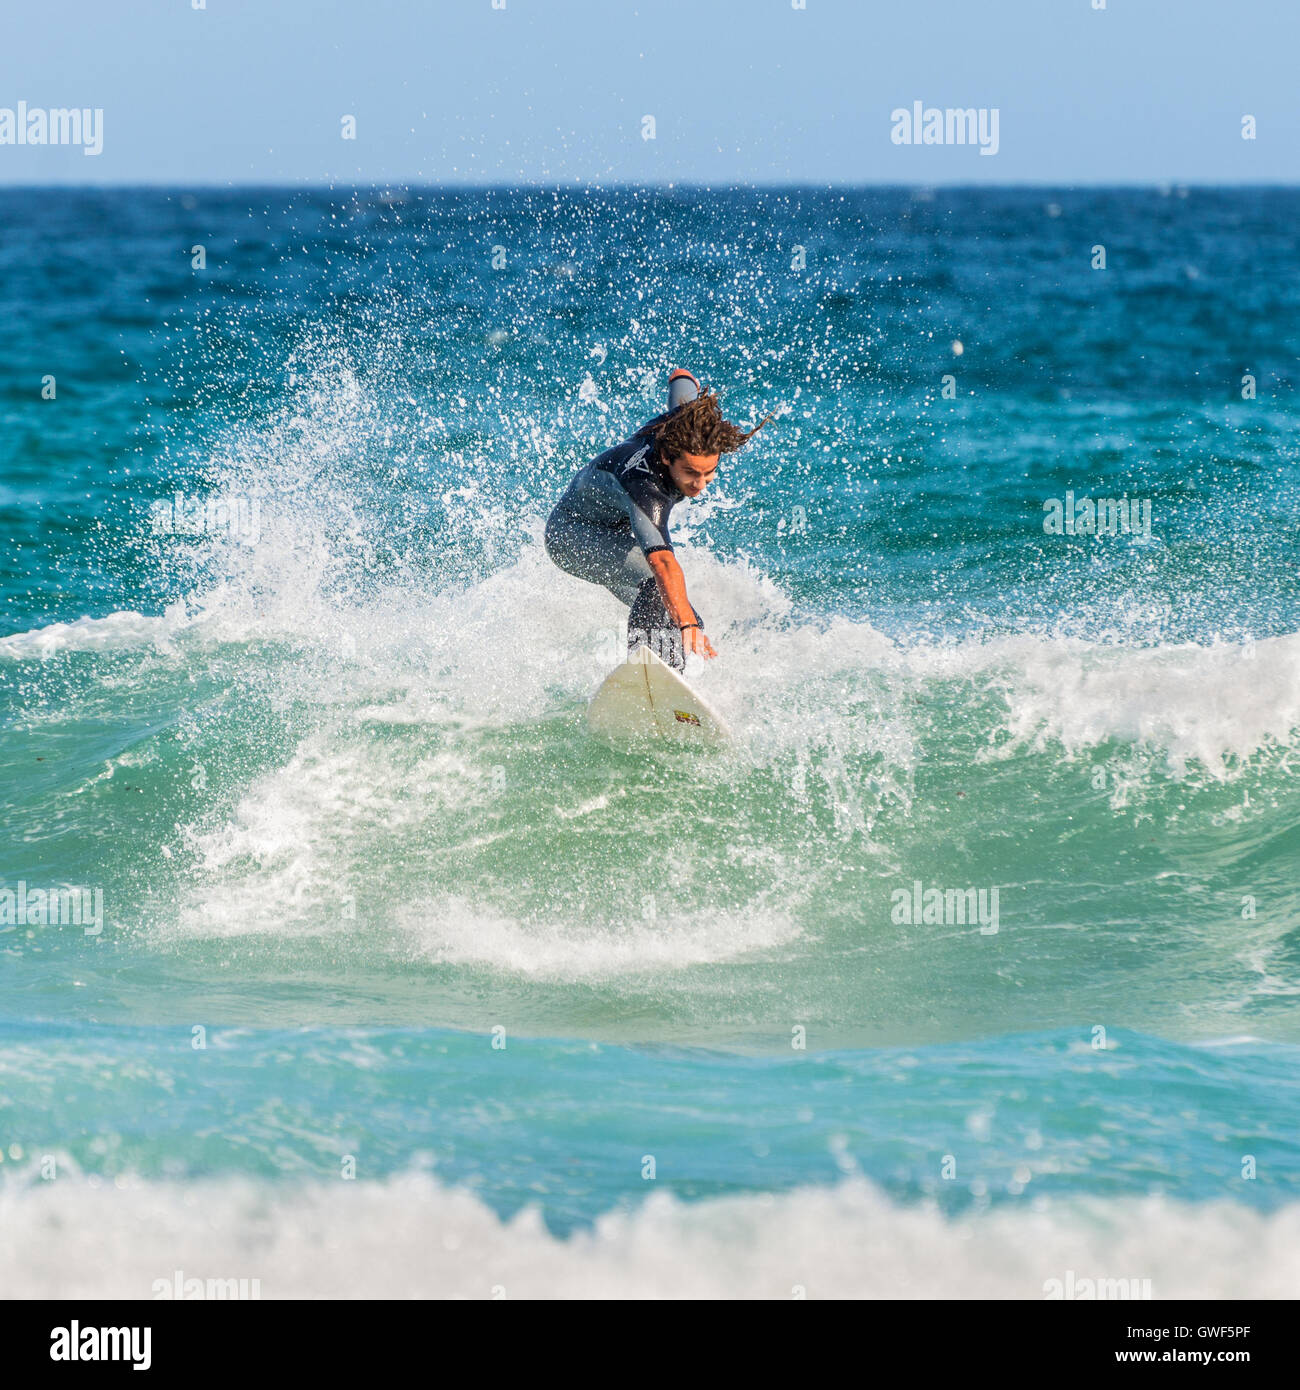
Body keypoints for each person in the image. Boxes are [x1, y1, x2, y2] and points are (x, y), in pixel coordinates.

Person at [545, 370, 770, 670]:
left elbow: (684, 391)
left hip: (616, 534)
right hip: (572, 535)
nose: (700, 485)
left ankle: (682, 689)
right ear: (666, 457)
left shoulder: (682, 428)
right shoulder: (645, 487)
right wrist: (686, 623)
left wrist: (682, 377)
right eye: (691, 472)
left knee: (684, 619)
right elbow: (663, 563)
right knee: (661, 591)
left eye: (709, 472)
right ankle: (647, 676)